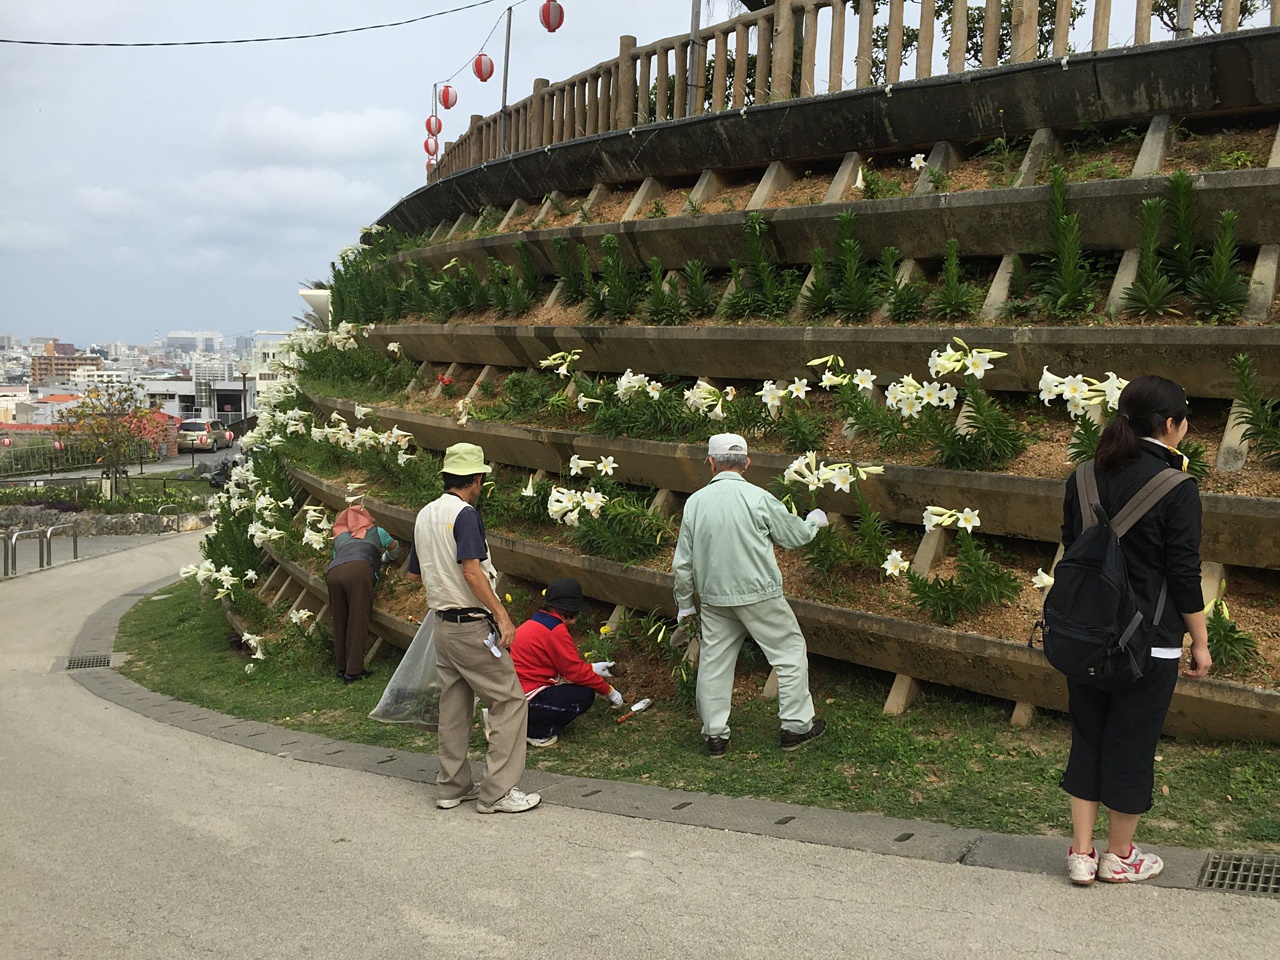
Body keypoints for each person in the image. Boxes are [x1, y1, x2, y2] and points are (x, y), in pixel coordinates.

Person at [1059, 376, 1211, 886]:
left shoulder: (1082, 476)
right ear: (1170, 425)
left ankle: (1081, 854)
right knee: (1131, 742)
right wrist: (1202, 642)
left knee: (1089, 735)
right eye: (1184, 419)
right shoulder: (1177, 486)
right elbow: (1184, 574)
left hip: (1085, 633)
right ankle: (1119, 855)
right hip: (1152, 641)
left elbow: (1071, 546)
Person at [671, 433, 829, 759]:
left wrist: (685, 606)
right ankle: (796, 727)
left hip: (715, 598)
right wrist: (813, 521)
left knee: (714, 664)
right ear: (747, 463)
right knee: (788, 652)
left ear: (711, 463)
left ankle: (715, 736)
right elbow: (794, 536)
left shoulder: (695, 503)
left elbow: (683, 564)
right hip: (760, 594)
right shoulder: (758, 497)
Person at [414, 442, 541, 815]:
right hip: (470, 625)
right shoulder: (465, 514)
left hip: (441, 624)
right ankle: (498, 792)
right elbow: (471, 570)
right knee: (509, 700)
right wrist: (501, 614)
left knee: (454, 706)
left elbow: (413, 571)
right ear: (475, 478)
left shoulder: (425, 514)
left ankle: (451, 787)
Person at [510, 577, 625, 747]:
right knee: (584, 695)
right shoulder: (555, 631)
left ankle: (506, 719)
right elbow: (574, 673)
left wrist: (595, 669)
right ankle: (533, 730)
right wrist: (609, 691)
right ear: (570, 611)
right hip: (527, 697)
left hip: (512, 692)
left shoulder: (537, 622)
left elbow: (565, 666)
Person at [326, 503, 398, 684]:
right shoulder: (378, 531)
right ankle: (354, 671)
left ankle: (342, 667)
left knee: (340, 619)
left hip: (334, 572)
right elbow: (394, 549)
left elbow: (338, 557)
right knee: (358, 618)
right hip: (359, 570)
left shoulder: (339, 537)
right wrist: (384, 558)